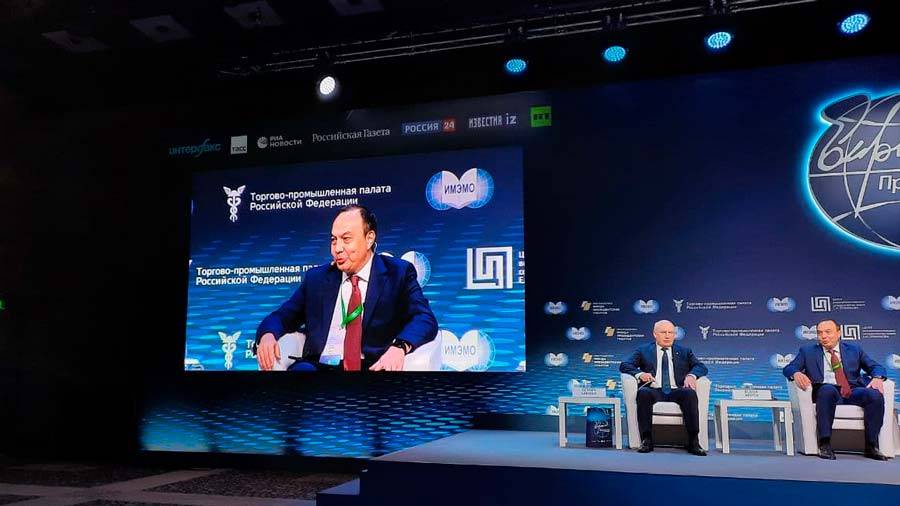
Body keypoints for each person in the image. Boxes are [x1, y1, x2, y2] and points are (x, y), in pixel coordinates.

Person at [255, 204, 438, 371]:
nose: (337, 248)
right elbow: (282, 316)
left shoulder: (397, 273)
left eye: (346, 239)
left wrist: (399, 347)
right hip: (319, 368)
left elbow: (424, 318)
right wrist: (268, 335)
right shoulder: (317, 279)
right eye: (334, 240)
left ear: (369, 238)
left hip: (373, 368)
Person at [782, 318, 888, 460]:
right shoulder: (807, 351)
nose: (823, 336)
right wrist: (796, 373)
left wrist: (878, 377)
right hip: (826, 391)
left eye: (828, 332)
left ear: (839, 333)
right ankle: (825, 444)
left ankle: (871, 446)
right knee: (827, 390)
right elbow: (789, 368)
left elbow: (875, 366)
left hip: (851, 390)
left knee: (874, 395)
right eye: (820, 333)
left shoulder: (854, 350)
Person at [619, 320, 709, 455]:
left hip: (677, 390)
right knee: (643, 393)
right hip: (654, 389)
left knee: (690, 394)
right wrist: (640, 374)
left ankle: (693, 441)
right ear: (655, 334)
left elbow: (701, 367)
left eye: (671, 332)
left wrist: (692, 376)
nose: (667, 336)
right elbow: (625, 365)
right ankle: (646, 440)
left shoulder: (684, 351)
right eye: (663, 332)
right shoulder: (644, 350)